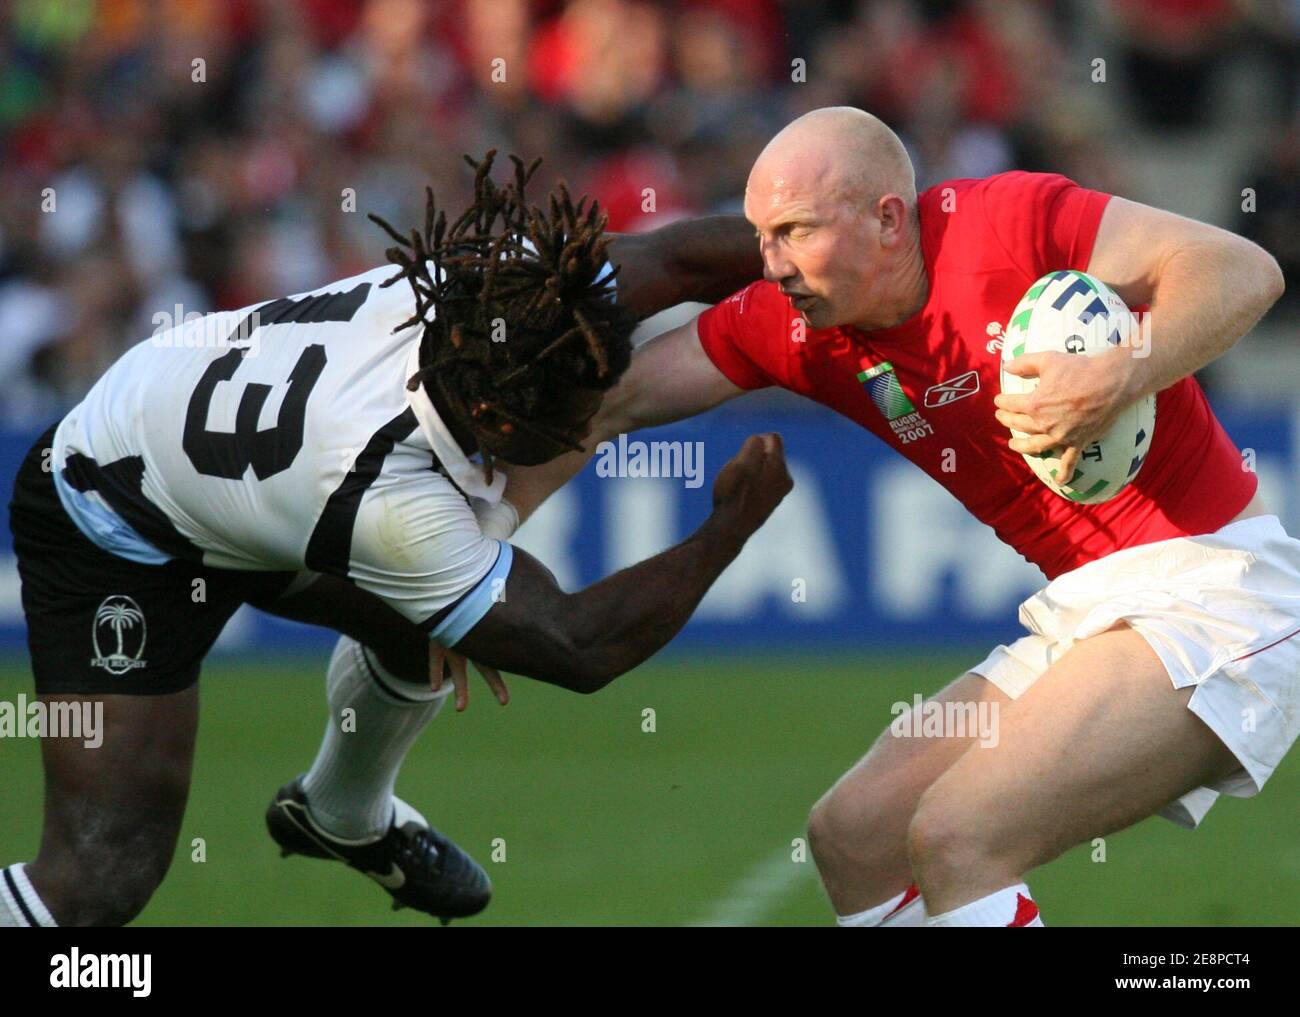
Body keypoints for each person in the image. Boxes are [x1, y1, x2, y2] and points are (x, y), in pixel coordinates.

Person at [501, 108, 1295, 927]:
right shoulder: (797, 329)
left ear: (886, 218)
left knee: (961, 836)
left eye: (795, 231)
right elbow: (605, 409)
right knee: (854, 837)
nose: (771, 265)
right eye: (761, 237)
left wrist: (1120, 370)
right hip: (1091, 610)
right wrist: (465, 568)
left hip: (1219, 592)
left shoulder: (1008, 222)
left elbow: (1241, 268)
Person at [0, 152, 789, 927]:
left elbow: (678, 258)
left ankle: (341, 810)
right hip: (116, 513)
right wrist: (730, 527)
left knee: (441, 618)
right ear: (497, 423)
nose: (587, 425)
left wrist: (819, 257)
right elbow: (579, 646)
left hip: (227, 454)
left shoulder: (516, 296)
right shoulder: (384, 497)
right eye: (567, 417)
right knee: (102, 879)